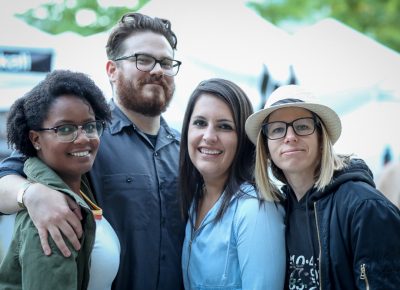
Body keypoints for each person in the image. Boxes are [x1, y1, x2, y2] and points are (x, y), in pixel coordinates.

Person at [0, 13, 185, 290]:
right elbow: (4, 180)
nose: (158, 69)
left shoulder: (187, 150)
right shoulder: (83, 139)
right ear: (112, 70)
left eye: (166, 62)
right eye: (143, 59)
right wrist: (31, 194)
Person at [245, 84, 400, 289]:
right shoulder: (278, 212)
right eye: (277, 129)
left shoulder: (365, 208)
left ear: (321, 137)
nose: (290, 136)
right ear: (266, 147)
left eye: (302, 126)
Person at [0, 69, 120, 290]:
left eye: (90, 126)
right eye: (65, 129)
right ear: (35, 139)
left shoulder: (76, 188)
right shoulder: (49, 217)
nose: (83, 138)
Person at [179, 78, 286, 290]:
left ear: (243, 139)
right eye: (200, 123)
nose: (209, 136)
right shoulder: (196, 198)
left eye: (225, 126)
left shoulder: (255, 209)